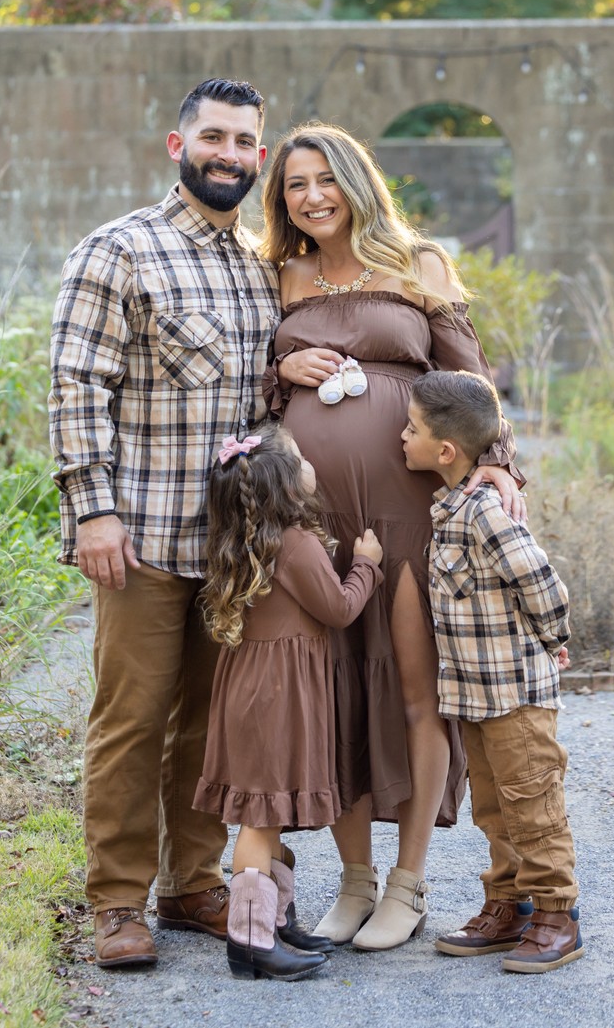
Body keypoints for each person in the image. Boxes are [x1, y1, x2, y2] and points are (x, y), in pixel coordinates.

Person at [259, 121, 526, 951]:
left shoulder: (420, 265)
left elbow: (471, 381)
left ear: (355, 181)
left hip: (406, 516)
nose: (312, 196)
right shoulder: (280, 276)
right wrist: (280, 370)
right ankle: (353, 879)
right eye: (295, 185)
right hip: (314, 521)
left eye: (324, 179)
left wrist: (503, 465)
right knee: (331, 689)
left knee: (415, 687)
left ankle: (408, 883)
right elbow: (247, 399)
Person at [49, 78, 281, 968]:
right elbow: (77, 385)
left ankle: (192, 885)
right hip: (140, 538)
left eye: (244, 141)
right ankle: (115, 902)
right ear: (176, 146)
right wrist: (93, 510)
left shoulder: (261, 266)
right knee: (132, 720)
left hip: (235, 549)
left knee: (211, 727)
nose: (229, 153)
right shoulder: (121, 250)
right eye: (213, 136)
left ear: (258, 157)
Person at [403, 369, 583, 973]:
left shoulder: (484, 510)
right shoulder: (447, 505)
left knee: (533, 801)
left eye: (412, 429)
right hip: (475, 695)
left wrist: (553, 638)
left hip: (516, 692)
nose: (403, 437)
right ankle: (509, 903)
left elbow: (540, 581)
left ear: (445, 451)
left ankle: (558, 913)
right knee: (494, 806)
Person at [193, 426, 384, 980]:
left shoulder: (247, 538)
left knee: (266, 811)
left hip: (252, 691)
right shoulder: (295, 544)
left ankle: (271, 925)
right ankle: (249, 942)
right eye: (300, 457)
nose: (310, 460)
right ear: (286, 483)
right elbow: (340, 609)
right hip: (276, 696)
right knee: (258, 819)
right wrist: (365, 563)